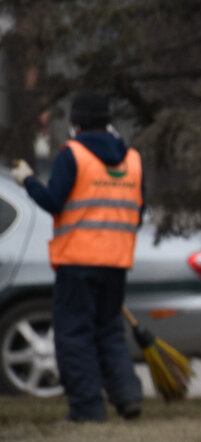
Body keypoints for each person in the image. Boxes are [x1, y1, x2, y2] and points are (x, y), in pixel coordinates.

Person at [12, 91, 145, 422]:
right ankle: (127, 396)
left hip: (77, 261)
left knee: (74, 334)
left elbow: (53, 200)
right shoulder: (132, 159)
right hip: (116, 261)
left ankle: (86, 408)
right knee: (109, 329)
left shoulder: (74, 155)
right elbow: (138, 212)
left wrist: (27, 180)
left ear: (76, 124)